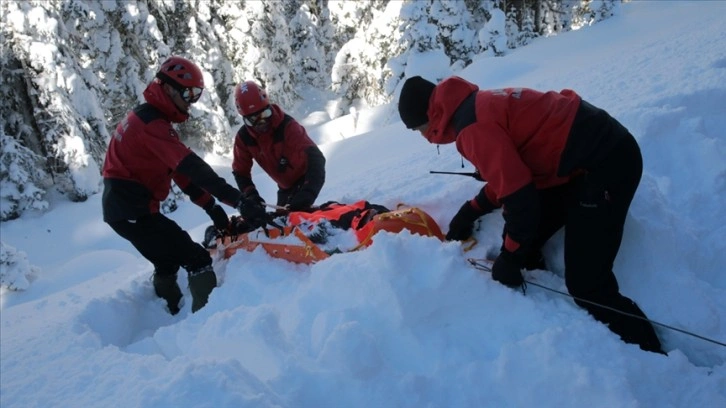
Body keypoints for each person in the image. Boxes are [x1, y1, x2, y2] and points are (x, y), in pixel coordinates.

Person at [398, 75, 665, 354]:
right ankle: (538, 283)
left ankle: (654, 356)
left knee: (587, 285)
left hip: (606, 162)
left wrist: (510, 258)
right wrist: (471, 211)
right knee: (524, 239)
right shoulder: (471, 106)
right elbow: (510, 176)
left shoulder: (473, 128)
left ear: (430, 115)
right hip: (576, 162)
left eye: (419, 129)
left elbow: (520, 199)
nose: (422, 136)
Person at [102, 56, 266, 315]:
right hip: (133, 210)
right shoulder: (151, 125)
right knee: (196, 259)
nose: (192, 101)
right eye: (189, 93)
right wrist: (239, 201)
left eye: (197, 94)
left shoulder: (148, 119)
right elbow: (193, 168)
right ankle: (208, 323)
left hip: (126, 210)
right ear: (168, 88)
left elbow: (179, 173)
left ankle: (167, 310)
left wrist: (211, 206)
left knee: (166, 260)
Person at [231, 80, 325, 213]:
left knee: (301, 216)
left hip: (307, 177)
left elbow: (316, 158)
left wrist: (308, 193)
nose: (261, 122)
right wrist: (251, 195)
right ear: (245, 119)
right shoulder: (244, 138)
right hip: (285, 187)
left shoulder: (287, 126)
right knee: (281, 222)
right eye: (253, 120)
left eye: (264, 115)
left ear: (269, 107)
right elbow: (240, 172)